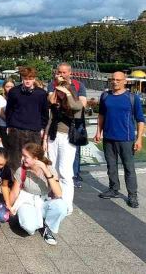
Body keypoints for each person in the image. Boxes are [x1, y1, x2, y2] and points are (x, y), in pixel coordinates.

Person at [95, 71, 146, 209]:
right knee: (111, 166)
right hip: (108, 138)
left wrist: (139, 139)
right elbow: (101, 115)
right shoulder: (105, 96)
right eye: (112, 79)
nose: (115, 82)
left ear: (125, 81)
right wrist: (98, 132)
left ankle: (132, 195)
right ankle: (114, 189)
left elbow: (140, 120)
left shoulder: (132, 98)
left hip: (126, 139)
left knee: (129, 168)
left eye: (118, 80)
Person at [10, 142, 68, 245]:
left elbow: (58, 194)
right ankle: (33, 219)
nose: (22, 159)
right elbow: (14, 192)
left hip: (43, 201)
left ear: (36, 159)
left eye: (25, 156)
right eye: (22, 155)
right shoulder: (21, 170)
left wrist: (46, 171)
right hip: (26, 201)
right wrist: (9, 208)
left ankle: (47, 227)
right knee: (30, 229)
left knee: (62, 206)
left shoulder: (50, 170)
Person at [46, 74, 84, 214]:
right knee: (53, 169)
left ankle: (67, 203)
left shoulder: (77, 104)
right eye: (59, 91)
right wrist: (45, 139)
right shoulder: (56, 104)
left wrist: (67, 93)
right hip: (54, 137)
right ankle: (55, 196)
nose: (60, 94)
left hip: (68, 139)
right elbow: (50, 121)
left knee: (65, 172)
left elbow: (75, 107)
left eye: (62, 92)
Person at [5, 67, 49, 171]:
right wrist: (9, 125)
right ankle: (15, 184)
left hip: (34, 132)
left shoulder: (41, 93)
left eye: (30, 78)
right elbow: (9, 110)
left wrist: (42, 127)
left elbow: (44, 113)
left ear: (34, 79)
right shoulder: (14, 92)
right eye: (25, 78)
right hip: (16, 131)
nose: (28, 80)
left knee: (34, 160)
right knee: (14, 160)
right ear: (22, 78)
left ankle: (31, 184)